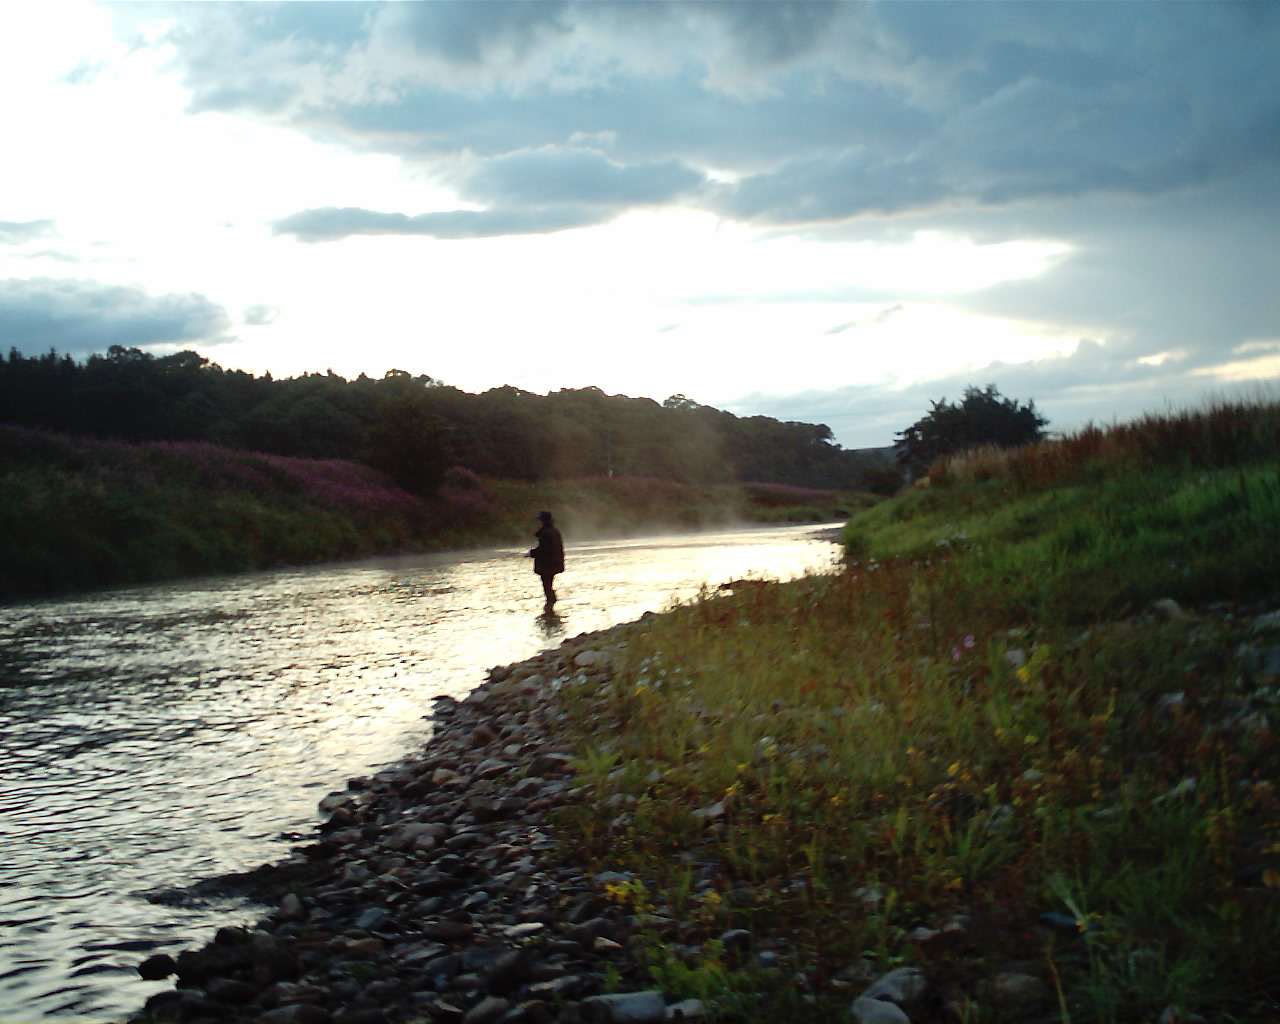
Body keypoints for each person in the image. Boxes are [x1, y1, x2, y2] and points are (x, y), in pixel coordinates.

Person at [527, 510, 564, 605]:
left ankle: (550, 606)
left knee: (547, 586)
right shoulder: (554, 531)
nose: (539, 522)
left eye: (540, 520)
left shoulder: (546, 533)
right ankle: (551, 606)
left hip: (548, 565)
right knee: (548, 585)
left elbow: (545, 550)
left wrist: (532, 553)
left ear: (543, 521)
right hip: (554, 564)